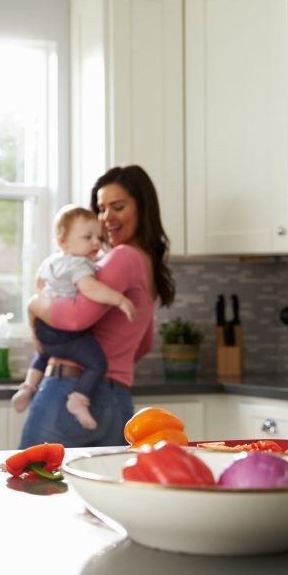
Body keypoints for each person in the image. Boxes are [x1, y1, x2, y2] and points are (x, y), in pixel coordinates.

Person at [18, 165, 176, 448]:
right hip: (117, 402)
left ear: (143, 208)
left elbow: (77, 317)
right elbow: (143, 344)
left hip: (71, 393)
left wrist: (33, 305)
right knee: (102, 491)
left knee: (33, 488)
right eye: (101, 209)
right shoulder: (147, 263)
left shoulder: (123, 257)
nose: (106, 219)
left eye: (118, 207)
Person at [10, 204, 135, 430]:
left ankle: (28, 387)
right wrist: (120, 299)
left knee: (43, 354)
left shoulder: (51, 261)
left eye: (99, 236)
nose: (96, 242)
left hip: (43, 329)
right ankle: (78, 399)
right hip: (67, 334)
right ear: (63, 242)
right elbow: (90, 289)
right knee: (97, 363)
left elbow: (39, 285)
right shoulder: (79, 264)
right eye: (87, 237)